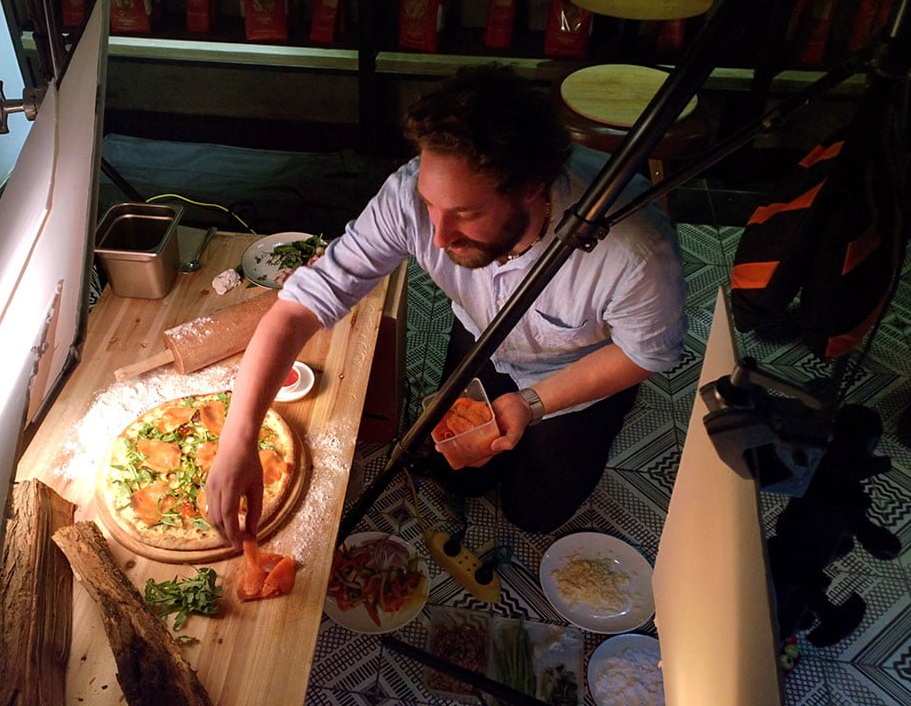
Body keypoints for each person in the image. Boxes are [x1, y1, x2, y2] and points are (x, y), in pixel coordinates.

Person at [205, 64, 687, 545]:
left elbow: (647, 352)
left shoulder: (634, 249)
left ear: (531, 188)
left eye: (466, 213)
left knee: (533, 512)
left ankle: (590, 426)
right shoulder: (411, 196)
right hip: (482, 338)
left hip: (577, 368)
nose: (437, 236)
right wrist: (238, 439)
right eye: (430, 205)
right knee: (457, 475)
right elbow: (296, 310)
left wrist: (530, 404)